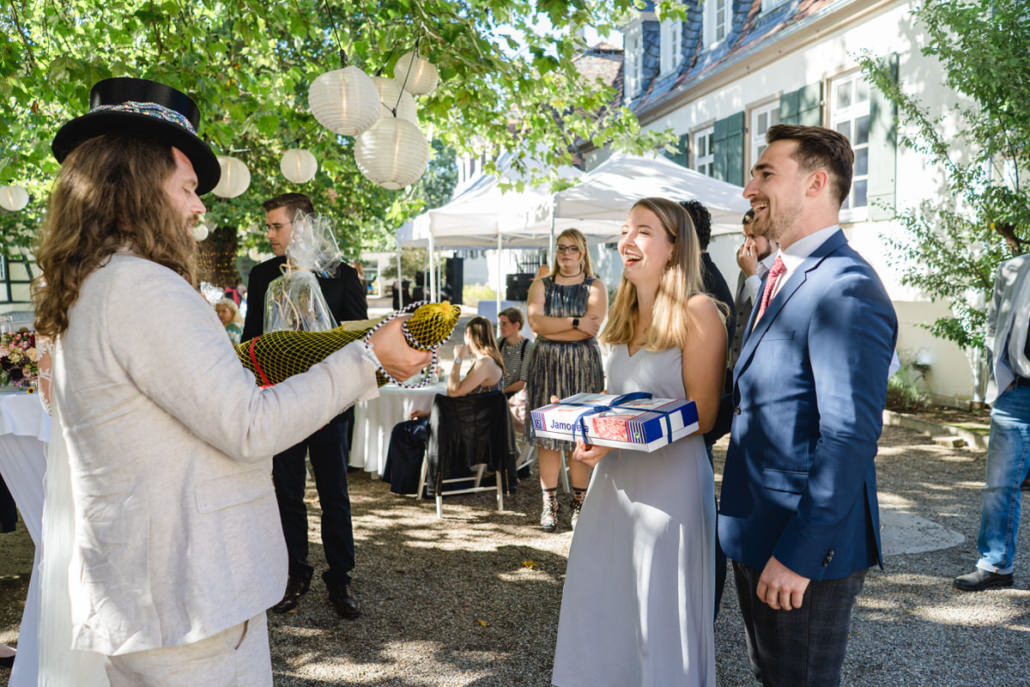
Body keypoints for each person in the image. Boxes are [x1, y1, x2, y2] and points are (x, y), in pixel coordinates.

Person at [35, 77, 430, 686]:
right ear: (136, 184)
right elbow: (249, 426)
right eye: (188, 188)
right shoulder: (144, 287)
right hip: (189, 598)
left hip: (149, 593)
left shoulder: (91, 283)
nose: (199, 209)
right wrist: (367, 359)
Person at [718, 124, 897, 687]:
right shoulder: (782, 275)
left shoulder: (845, 287)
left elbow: (849, 440)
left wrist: (799, 555)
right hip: (756, 528)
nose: (749, 188)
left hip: (801, 546)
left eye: (765, 173)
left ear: (817, 182)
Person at [552, 197, 724, 686]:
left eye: (643, 231)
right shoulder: (620, 317)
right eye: (625, 230)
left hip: (667, 489)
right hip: (614, 486)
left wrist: (624, 429)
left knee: (657, 610)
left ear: (673, 247)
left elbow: (704, 411)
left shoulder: (698, 311)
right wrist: (588, 424)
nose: (627, 241)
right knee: (604, 604)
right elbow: (619, 399)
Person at [241, 192, 369, 618]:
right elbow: (250, 341)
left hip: (331, 404)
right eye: (270, 226)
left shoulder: (342, 276)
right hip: (280, 401)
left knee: (335, 491)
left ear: (302, 226)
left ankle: (341, 578)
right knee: (287, 491)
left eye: (277, 226)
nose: (270, 234)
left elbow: (359, 340)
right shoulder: (262, 277)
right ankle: (293, 573)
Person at [953, 253, 1030, 591]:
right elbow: (995, 325)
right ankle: (996, 565)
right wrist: (998, 375)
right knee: (998, 485)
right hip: (1015, 390)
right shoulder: (1012, 269)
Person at [525, 229, 607, 531]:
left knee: (579, 434)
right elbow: (536, 323)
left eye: (573, 248)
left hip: (583, 364)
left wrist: (553, 328)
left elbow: (591, 329)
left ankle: (579, 502)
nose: (567, 253)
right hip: (546, 364)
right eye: (562, 248)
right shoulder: (541, 285)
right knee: (548, 437)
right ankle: (549, 504)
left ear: (583, 252)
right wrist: (574, 322)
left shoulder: (594, 285)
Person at [382, 317, 504, 495]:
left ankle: (408, 485)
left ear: (469, 335)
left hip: (464, 432)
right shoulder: (489, 362)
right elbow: (463, 402)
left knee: (403, 431)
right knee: (409, 428)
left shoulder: (485, 363)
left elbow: (454, 392)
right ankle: (415, 482)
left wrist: (457, 360)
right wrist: (428, 412)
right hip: (473, 428)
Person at [730, 208, 779, 370]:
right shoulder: (745, 268)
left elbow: (770, 317)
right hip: (736, 368)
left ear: (772, 236)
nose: (747, 244)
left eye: (753, 237)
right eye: (745, 237)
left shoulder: (781, 269)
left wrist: (751, 275)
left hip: (761, 368)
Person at [497, 306, 533, 434]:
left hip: (514, 397)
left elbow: (523, 382)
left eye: (504, 323)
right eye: (500, 323)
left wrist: (500, 393)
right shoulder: (499, 343)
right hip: (498, 394)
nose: (500, 326)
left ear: (516, 325)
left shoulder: (527, 347)